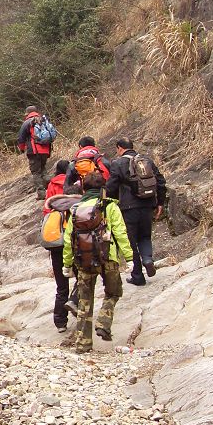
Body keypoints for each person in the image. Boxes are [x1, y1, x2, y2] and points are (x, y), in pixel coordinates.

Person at [63, 171, 134, 354]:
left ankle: (83, 344)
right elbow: (120, 232)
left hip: (84, 260)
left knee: (84, 302)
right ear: (103, 188)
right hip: (107, 257)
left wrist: (67, 264)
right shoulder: (109, 206)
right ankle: (103, 321)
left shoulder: (76, 210)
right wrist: (129, 257)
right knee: (113, 292)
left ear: (84, 189)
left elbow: (68, 239)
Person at [105, 137, 167, 286]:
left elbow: (111, 188)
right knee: (145, 236)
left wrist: (110, 206)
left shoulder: (118, 163)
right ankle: (147, 259)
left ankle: (138, 276)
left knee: (131, 241)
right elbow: (160, 181)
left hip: (128, 208)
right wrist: (160, 203)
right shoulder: (146, 161)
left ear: (119, 148)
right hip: (147, 205)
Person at [43, 159, 79, 333]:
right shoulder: (76, 185)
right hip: (75, 241)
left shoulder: (52, 185)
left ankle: (60, 323)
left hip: (57, 240)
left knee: (61, 285)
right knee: (82, 279)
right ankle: (76, 304)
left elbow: (46, 211)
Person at [17, 106, 56, 199]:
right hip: (46, 150)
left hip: (34, 151)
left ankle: (42, 194)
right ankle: (54, 187)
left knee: (36, 172)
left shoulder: (27, 123)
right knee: (43, 169)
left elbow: (20, 138)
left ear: (27, 114)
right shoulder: (43, 120)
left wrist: (22, 149)